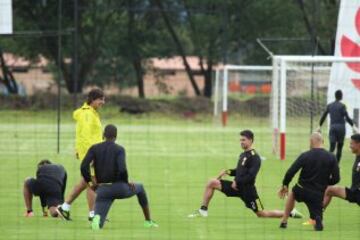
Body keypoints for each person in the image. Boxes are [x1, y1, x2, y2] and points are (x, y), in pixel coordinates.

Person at [188, 130, 303, 220]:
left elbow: (251, 176)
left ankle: (290, 213)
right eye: (240, 140)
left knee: (262, 214)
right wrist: (227, 171)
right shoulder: (243, 154)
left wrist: (236, 182)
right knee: (211, 182)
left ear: (250, 140)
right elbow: (239, 171)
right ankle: (203, 210)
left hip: (248, 191)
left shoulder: (255, 157)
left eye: (243, 140)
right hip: (236, 187)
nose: (241, 142)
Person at [81, 124, 158, 230]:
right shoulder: (119, 149)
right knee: (140, 188)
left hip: (102, 190)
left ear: (103, 135)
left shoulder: (94, 148)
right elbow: (122, 169)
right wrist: (126, 182)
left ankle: (97, 219)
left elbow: (83, 167)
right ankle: (148, 221)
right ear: (116, 136)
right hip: (119, 188)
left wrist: (91, 184)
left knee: (99, 220)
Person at [57, 88, 105, 220]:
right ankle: (93, 215)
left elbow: (89, 135)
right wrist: (92, 156)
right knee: (92, 183)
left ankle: (64, 208)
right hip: (91, 155)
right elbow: (85, 137)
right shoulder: (87, 115)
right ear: (93, 100)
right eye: (101, 99)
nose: (103, 102)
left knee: (86, 182)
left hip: (92, 153)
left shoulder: (91, 113)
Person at [278, 132, 340, 231]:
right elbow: (336, 179)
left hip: (302, 189)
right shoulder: (331, 157)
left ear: (311, 141)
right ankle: (317, 218)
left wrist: (285, 184)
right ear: (323, 142)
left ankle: (284, 220)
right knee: (317, 215)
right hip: (317, 193)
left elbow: (291, 171)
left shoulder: (305, 155)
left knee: (292, 193)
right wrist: (324, 183)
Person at [318, 89, 358, 162]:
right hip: (341, 128)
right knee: (339, 148)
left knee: (332, 147)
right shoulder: (342, 106)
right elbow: (347, 117)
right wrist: (353, 126)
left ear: (335, 96)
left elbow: (324, 115)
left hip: (332, 127)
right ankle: (336, 165)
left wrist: (319, 126)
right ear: (341, 97)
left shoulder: (330, 105)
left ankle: (327, 163)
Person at [323, 133, 360, 209]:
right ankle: (316, 217)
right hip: (354, 192)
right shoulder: (357, 156)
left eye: (352, 144)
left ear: (358, 144)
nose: (350, 146)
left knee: (330, 190)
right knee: (329, 190)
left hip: (357, 193)